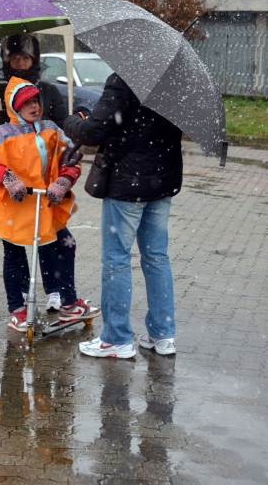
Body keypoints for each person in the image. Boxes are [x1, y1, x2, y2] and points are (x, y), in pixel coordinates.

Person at [0, 77, 100, 333]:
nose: (34, 106)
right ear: (13, 107)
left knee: (66, 245)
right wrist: (7, 178)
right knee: (14, 255)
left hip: (45, 205)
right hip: (13, 208)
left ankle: (68, 304)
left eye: (36, 101)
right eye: (26, 103)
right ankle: (18, 311)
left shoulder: (51, 130)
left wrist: (65, 180)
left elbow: (71, 158)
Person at [63, 73, 182, 359]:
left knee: (116, 259)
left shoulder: (125, 79)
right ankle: (163, 335)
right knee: (156, 257)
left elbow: (92, 132)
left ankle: (116, 339)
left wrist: (71, 121)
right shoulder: (174, 82)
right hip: (162, 181)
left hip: (129, 184)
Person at [0, 34, 68, 312]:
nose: (20, 62)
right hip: (12, 184)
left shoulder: (49, 91)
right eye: (15, 57)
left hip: (43, 180)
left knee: (49, 238)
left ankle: (54, 290)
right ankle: (20, 297)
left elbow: (62, 129)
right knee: (14, 244)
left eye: (25, 57)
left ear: (34, 59)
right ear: (7, 60)